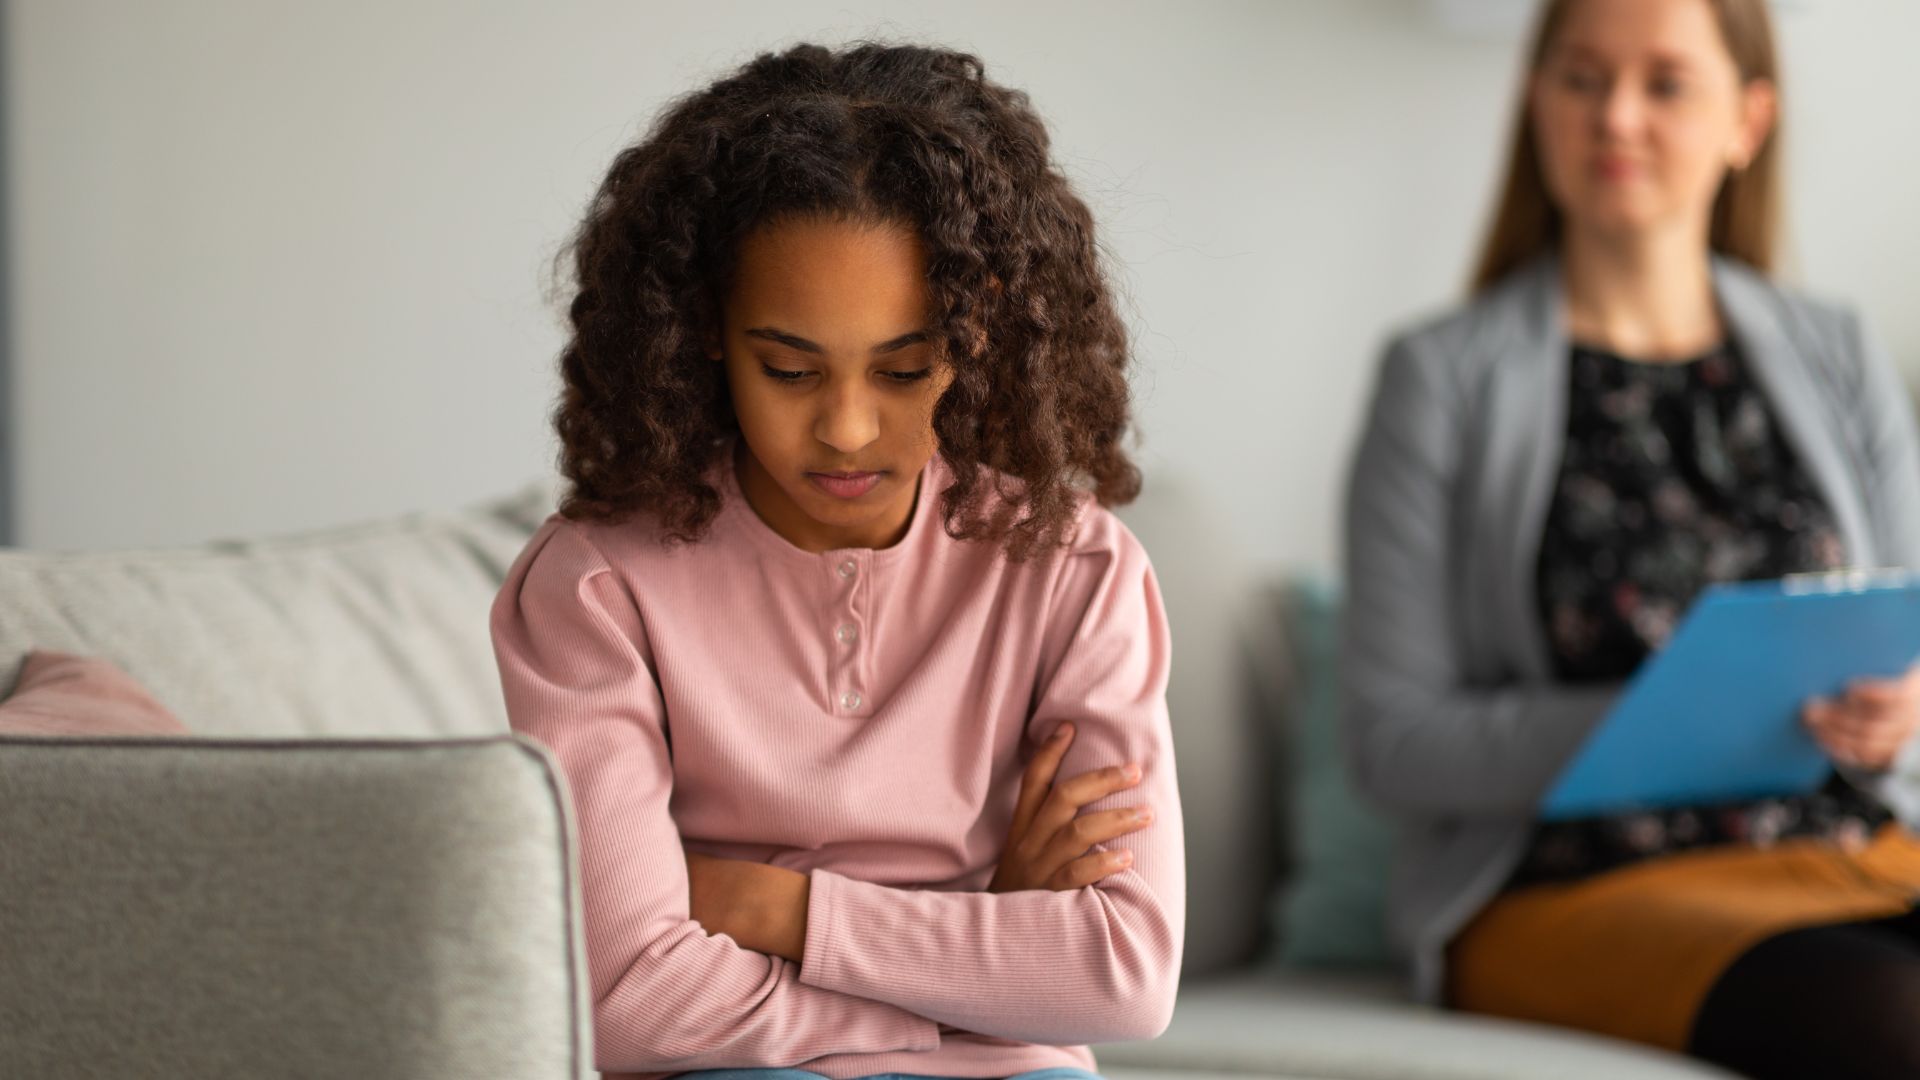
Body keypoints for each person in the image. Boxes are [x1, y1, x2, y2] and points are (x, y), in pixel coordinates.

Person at [489, 43, 1183, 1080]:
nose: (850, 429)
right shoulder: (596, 587)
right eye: (790, 368)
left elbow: (1123, 975)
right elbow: (631, 1006)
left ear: (979, 323)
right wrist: (979, 970)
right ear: (705, 330)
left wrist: (773, 906)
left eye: (905, 368)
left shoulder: (1076, 573)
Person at [1342, 1, 1920, 1076]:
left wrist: (1901, 716)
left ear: (1747, 122)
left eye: (1664, 83)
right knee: (1891, 1023)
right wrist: (1664, 725)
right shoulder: (1439, 379)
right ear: (1536, 100)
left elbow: (1904, 645)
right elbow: (1392, 742)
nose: (1615, 116)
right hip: (1570, 891)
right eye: (1581, 78)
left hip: (1850, 855)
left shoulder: (1839, 354)